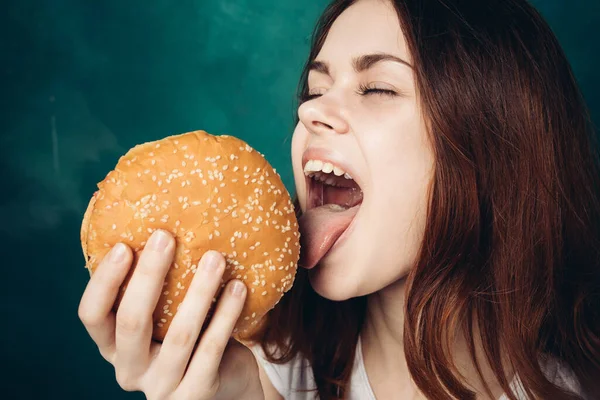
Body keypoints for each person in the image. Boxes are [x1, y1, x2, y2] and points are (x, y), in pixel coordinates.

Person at [78, 0, 600, 398]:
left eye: (377, 89)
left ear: (496, 147)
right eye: (314, 89)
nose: (311, 112)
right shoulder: (255, 377)